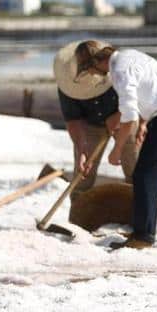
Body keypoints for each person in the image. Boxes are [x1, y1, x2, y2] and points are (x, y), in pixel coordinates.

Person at [72, 40, 157, 250]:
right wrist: (142, 121)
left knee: (144, 176)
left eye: (89, 70)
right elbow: (147, 93)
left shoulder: (119, 71)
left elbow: (130, 117)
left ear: (96, 62)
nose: (93, 75)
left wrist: (117, 149)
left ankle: (143, 236)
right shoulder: (129, 55)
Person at [54, 41, 139, 200]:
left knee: (135, 168)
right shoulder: (67, 82)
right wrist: (81, 148)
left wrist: (119, 115)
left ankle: (138, 209)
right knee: (83, 173)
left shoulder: (118, 69)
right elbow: (73, 120)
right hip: (90, 125)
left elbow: (138, 97)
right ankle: (78, 210)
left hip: (124, 119)